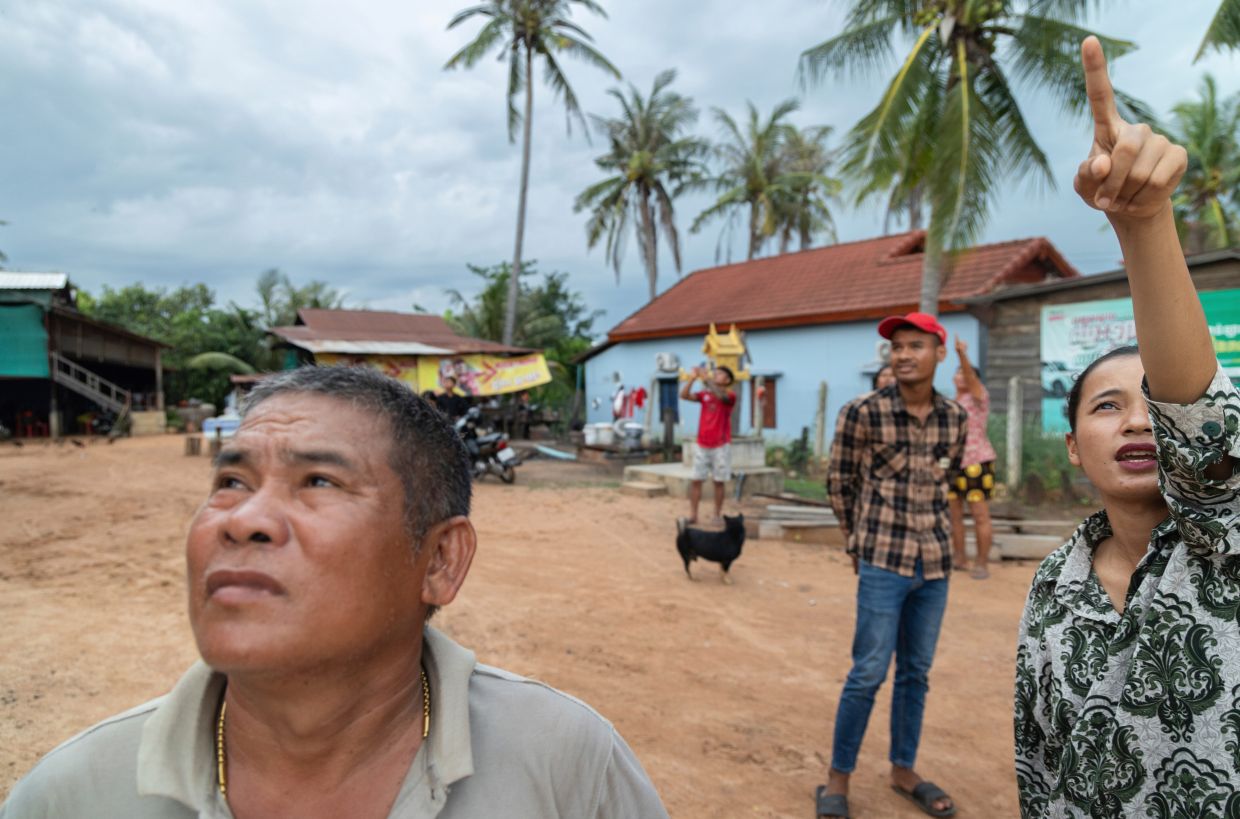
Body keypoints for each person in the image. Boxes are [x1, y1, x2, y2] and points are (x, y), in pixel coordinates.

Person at [1, 366, 668, 819]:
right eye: (230, 482)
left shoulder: (564, 767)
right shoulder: (76, 794)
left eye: (319, 480)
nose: (242, 518)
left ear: (439, 559)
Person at [1015, 37, 1240, 817]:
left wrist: (1145, 227)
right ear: (1074, 446)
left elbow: (1200, 425)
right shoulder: (1052, 584)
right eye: (1106, 405)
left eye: (1150, 399)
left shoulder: (1226, 541)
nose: (1138, 416)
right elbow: (1038, 758)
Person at [818, 313, 967, 819]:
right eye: (897, 347)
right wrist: (856, 541)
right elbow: (839, 483)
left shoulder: (954, 418)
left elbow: (945, 482)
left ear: (939, 354)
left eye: (915, 346)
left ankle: (904, 770)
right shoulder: (862, 412)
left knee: (916, 675)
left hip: (935, 564)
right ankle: (837, 779)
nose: (903, 354)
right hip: (882, 560)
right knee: (867, 673)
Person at [947, 337, 997, 579]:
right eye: (957, 372)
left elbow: (971, 378)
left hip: (977, 462)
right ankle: (959, 557)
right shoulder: (950, 403)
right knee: (953, 513)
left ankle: (982, 562)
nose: (960, 375)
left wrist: (961, 355)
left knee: (979, 514)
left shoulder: (978, 396)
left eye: (963, 373)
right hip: (953, 464)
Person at [680, 364, 737, 524]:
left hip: (721, 445)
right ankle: (693, 515)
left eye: (719, 374)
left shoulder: (729, 395)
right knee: (696, 480)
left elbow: (722, 397)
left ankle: (717, 515)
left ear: (727, 380)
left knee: (718, 481)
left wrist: (706, 379)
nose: (715, 376)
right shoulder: (705, 394)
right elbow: (684, 395)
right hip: (702, 444)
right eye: (715, 373)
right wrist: (692, 379)